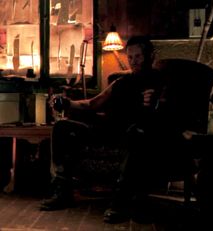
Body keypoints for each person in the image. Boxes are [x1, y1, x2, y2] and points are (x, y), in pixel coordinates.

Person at [40, 35, 182, 223]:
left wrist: (157, 103)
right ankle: (63, 192)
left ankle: (121, 202)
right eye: (130, 57)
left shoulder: (162, 81)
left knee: (137, 133)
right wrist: (68, 103)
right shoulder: (121, 82)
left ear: (150, 56)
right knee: (62, 127)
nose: (133, 62)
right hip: (108, 131)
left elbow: (173, 110)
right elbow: (92, 103)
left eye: (138, 57)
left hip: (140, 134)